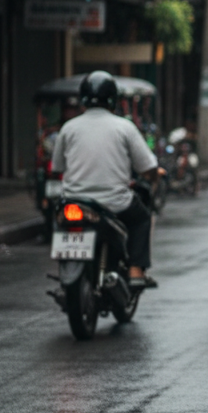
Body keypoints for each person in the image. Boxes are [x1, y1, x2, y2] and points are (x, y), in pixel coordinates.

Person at [51, 70, 161, 289]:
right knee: (142, 219)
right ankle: (136, 269)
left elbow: (57, 168)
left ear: (83, 99)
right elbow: (147, 167)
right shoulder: (124, 127)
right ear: (113, 99)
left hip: (74, 202)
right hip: (115, 203)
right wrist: (154, 176)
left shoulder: (68, 128)